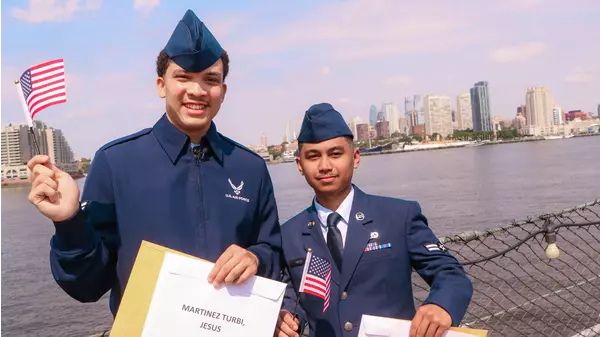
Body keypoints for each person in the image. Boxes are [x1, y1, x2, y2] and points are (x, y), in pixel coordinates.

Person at [26, 9, 282, 317]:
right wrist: (69, 223)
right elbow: (87, 285)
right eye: (183, 77)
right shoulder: (115, 163)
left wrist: (256, 258)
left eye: (210, 80)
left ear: (222, 92)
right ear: (161, 85)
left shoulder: (250, 168)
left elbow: (274, 252)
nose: (198, 91)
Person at [274, 103, 473, 337]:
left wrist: (440, 305)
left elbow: (450, 273)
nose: (325, 166)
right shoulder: (288, 235)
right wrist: (285, 317)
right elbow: (291, 298)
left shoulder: (398, 217)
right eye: (313, 156)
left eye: (336, 154)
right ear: (300, 165)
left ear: (355, 157)